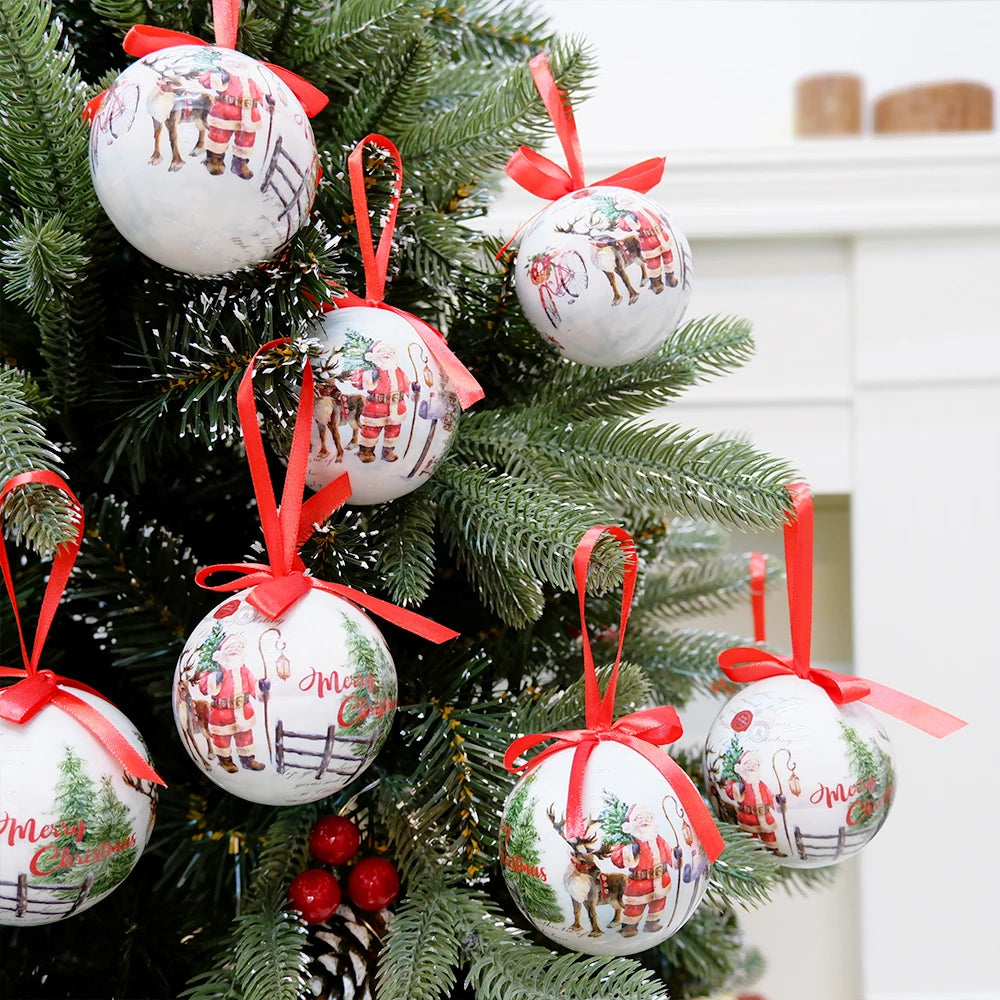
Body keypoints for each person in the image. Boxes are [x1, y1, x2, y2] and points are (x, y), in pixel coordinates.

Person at [198, 632, 266, 773]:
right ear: (223, 652)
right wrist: (214, 678)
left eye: (238, 647)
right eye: (230, 647)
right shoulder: (216, 669)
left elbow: (253, 684)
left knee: (245, 737)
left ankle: (248, 760)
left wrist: (262, 686)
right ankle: (225, 760)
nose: (234, 650)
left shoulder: (243, 670)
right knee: (222, 739)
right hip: (222, 714)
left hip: (243, 711)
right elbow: (203, 687)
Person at [610, 804, 672, 937]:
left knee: (658, 903)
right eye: (640, 818)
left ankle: (652, 923)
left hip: (661, 879)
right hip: (639, 884)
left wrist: (676, 856)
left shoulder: (658, 839)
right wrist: (630, 850)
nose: (645, 821)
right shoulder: (629, 840)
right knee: (634, 907)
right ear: (633, 823)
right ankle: (629, 927)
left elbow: (668, 853)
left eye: (648, 818)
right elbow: (617, 858)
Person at [350, 340, 412, 463]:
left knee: (393, 431)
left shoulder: (398, 371)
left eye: (390, 352)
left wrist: (414, 389)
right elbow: (356, 381)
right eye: (382, 351)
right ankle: (366, 450)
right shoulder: (371, 371)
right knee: (370, 431)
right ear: (374, 355)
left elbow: (406, 385)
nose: (386, 354)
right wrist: (368, 375)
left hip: (397, 408)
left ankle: (388, 451)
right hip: (375, 409)